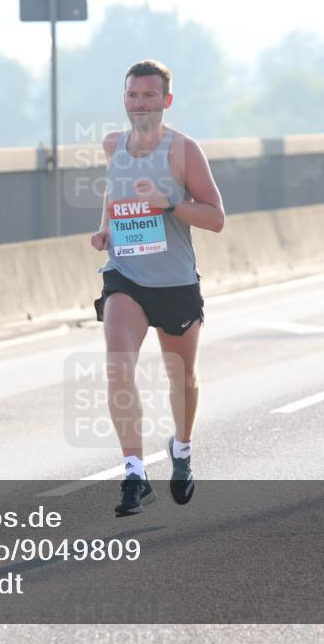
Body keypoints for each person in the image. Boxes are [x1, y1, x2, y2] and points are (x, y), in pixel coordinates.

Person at [89, 59, 225, 516]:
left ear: (166, 101)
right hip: (125, 275)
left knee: (182, 379)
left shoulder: (183, 150)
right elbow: (114, 192)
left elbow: (216, 217)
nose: (139, 103)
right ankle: (133, 472)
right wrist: (106, 228)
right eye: (132, 95)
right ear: (123, 99)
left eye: (149, 96)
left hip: (175, 283)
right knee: (118, 367)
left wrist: (169, 202)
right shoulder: (113, 145)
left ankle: (182, 450)